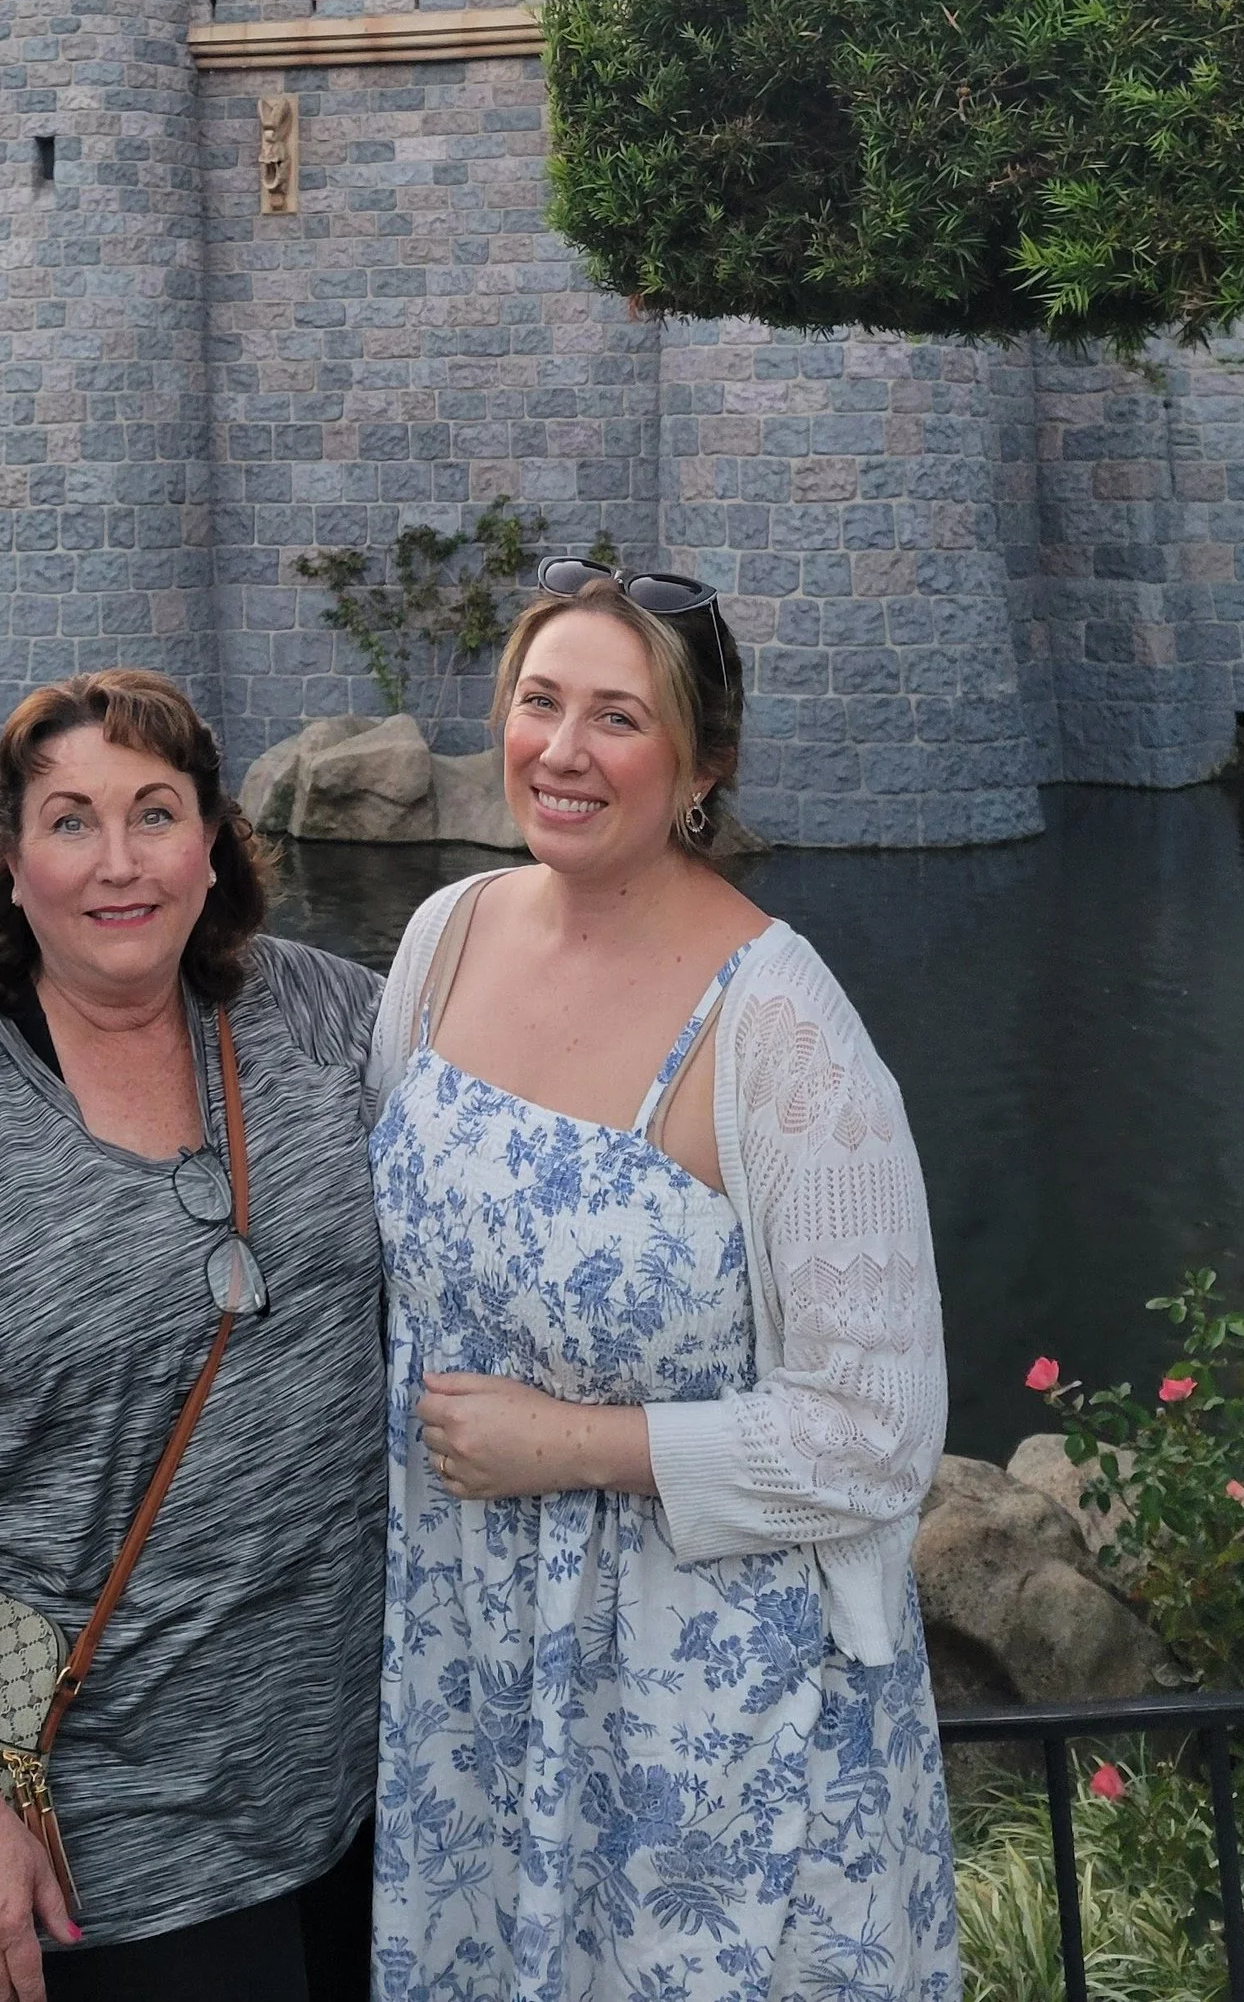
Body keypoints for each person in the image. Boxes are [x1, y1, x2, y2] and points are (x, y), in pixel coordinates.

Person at [366, 566, 958, 2000]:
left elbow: (879, 1435)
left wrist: (567, 1447)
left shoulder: (784, 1031)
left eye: (616, 718)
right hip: (477, 1673)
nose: (562, 752)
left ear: (702, 765)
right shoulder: (445, 941)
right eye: (538, 703)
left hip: (712, 1722)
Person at [0, 668, 385, 2002]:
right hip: (88, 1838)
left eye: (155, 814)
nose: (117, 864)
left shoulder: (316, 1017)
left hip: (350, 1792)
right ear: (12, 861)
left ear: (213, 845)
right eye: (71, 821)